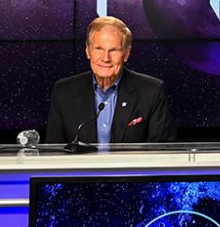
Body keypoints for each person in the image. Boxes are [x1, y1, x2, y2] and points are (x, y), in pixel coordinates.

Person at [46, 16, 176, 144]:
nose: (106, 58)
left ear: (126, 53)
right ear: (88, 51)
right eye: (99, 49)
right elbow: (53, 153)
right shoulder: (63, 92)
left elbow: (162, 152)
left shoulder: (152, 91)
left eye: (114, 50)